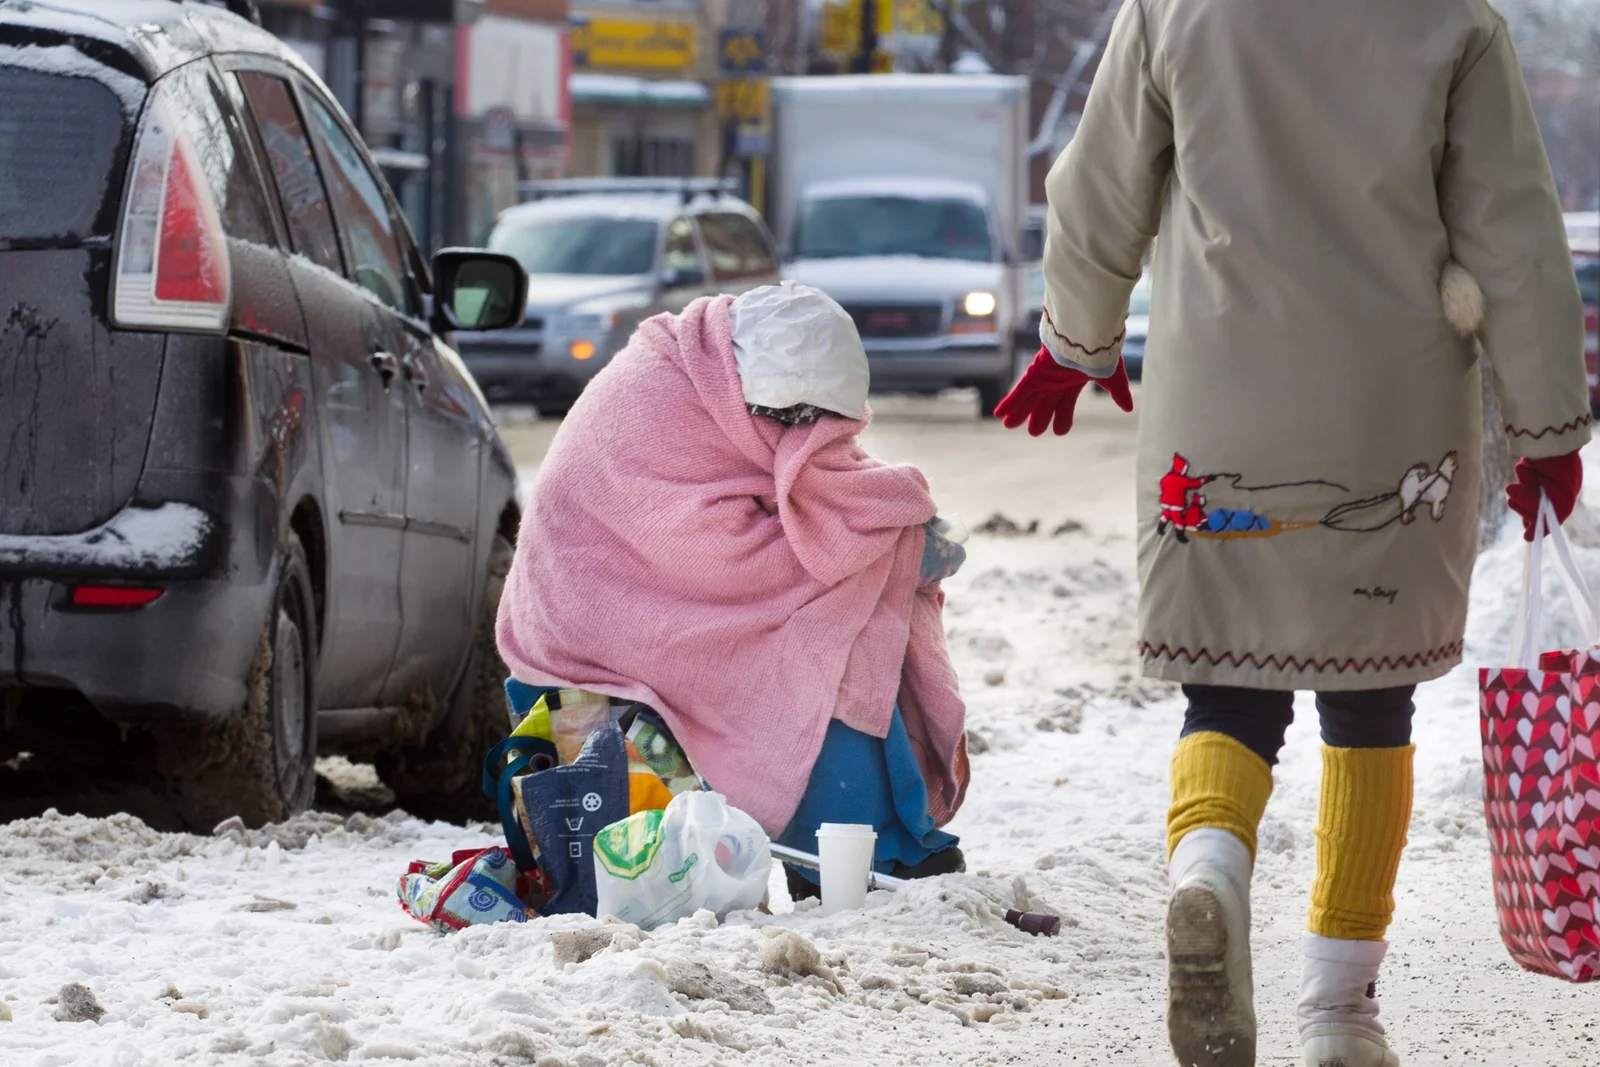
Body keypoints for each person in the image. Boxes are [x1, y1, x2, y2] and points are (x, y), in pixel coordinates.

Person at [997, 1, 1589, 1064]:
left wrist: (1077, 338)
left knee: (1225, 685)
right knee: (1372, 698)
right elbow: (1512, 229)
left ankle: (1207, 868)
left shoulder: (1174, 9)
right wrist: (1548, 422)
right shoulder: (1455, 21)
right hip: (1392, 412)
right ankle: (1340, 1012)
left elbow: (1096, 186)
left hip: (1216, 406)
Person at [496, 282, 970, 894]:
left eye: (817, 419)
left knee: (853, 609)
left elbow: (819, 483)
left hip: (659, 623)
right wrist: (891, 543)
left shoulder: (719, 382)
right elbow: (710, 553)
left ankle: (881, 837)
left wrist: (896, 527)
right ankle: (855, 841)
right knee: (824, 637)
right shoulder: (653, 401)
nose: (804, 433)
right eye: (789, 418)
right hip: (599, 640)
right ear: (742, 385)